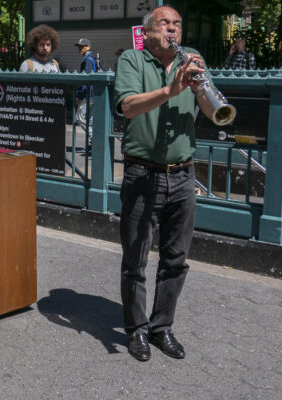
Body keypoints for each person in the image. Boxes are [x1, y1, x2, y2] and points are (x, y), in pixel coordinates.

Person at [114, 5, 214, 362]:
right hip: (143, 173)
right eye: (164, 24)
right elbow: (127, 106)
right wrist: (171, 90)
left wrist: (201, 87)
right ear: (148, 31)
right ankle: (137, 330)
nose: (171, 29)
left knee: (176, 259)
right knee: (135, 258)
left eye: (176, 24)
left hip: (183, 175)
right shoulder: (132, 59)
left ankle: (162, 327)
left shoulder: (194, 59)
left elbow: (211, 109)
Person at [74, 38, 97, 105]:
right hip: (90, 93)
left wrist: (79, 96)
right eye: (79, 47)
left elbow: (86, 79)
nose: (79, 49)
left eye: (82, 47)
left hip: (87, 95)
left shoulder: (89, 59)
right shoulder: (90, 58)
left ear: (88, 47)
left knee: (82, 115)